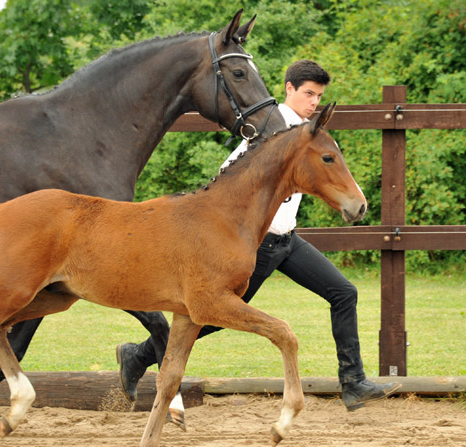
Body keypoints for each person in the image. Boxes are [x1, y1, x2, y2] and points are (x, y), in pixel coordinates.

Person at [116, 59, 400, 412]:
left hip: (288, 241)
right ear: (289, 89)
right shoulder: (269, 128)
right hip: (256, 245)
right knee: (211, 314)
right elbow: (228, 174)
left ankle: (354, 383)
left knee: (344, 292)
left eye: (319, 96)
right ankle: (138, 355)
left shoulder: (310, 134)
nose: (313, 102)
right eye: (308, 94)